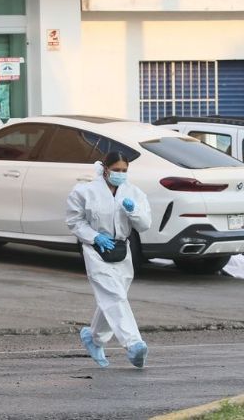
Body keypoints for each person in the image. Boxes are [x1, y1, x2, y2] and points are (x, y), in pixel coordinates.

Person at [65, 151, 152, 369]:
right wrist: (94, 237)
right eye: (116, 170)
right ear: (105, 168)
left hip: (122, 250)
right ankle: (134, 344)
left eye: (124, 170)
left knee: (113, 298)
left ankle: (93, 338)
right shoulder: (85, 191)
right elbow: (74, 221)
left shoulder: (134, 193)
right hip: (96, 250)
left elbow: (144, 225)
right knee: (114, 296)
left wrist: (134, 211)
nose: (120, 174)